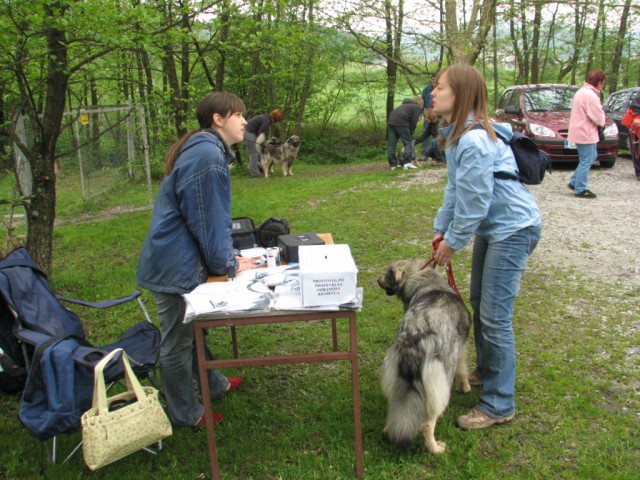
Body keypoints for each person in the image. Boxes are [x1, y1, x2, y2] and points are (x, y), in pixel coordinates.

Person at [430, 64, 542, 430]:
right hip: (493, 230)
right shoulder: (457, 136)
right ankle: (488, 370)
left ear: (460, 94)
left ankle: (498, 403)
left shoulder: (474, 140)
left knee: (495, 316)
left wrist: (453, 243)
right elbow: (455, 191)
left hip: (513, 229)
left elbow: (476, 202)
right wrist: (441, 230)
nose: (433, 93)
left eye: (440, 87)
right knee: (480, 303)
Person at [136, 92, 257, 427]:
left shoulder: (207, 150)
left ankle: (214, 385)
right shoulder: (206, 155)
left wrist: (228, 257)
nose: (245, 121)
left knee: (195, 331)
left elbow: (208, 217)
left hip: (177, 258)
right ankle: (186, 413)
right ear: (218, 119)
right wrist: (227, 264)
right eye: (239, 115)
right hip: (173, 265)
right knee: (176, 341)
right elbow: (207, 219)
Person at [566, 70, 607, 198]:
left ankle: (574, 181)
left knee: (591, 156)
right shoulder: (590, 95)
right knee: (586, 159)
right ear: (599, 82)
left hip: (580, 130)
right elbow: (597, 115)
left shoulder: (581, 92)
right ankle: (580, 188)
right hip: (585, 132)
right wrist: (602, 122)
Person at [243, 108, 284, 177]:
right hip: (249, 133)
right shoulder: (267, 121)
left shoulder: (265, 117)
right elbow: (261, 133)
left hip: (249, 132)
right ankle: (254, 173)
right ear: (276, 119)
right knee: (254, 154)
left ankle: (259, 170)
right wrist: (262, 143)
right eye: (278, 120)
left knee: (258, 154)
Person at [387, 96, 424, 170]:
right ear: (420, 103)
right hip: (402, 122)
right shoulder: (417, 107)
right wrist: (410, 133)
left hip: (391, 121)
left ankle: (393, 165)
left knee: (392, 144)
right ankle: (407, 163)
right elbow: (414, 122)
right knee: (408, 143)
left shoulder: (404, 105)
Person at [622, 93, 640, 181]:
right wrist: (637, 116)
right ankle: (639, 172)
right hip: (636, 123)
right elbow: (635, 105)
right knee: (637, 149)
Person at [419, 73, 438, 160]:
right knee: (425, 133)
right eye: (433, 79)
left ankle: (436, 153)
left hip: (437, 114)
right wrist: (420, 114)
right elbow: (422, 103)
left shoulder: (441, 89)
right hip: (427, 114)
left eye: (435, 79)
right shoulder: (426, 90)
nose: (434, 81)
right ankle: (426, 154)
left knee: (437, 134)